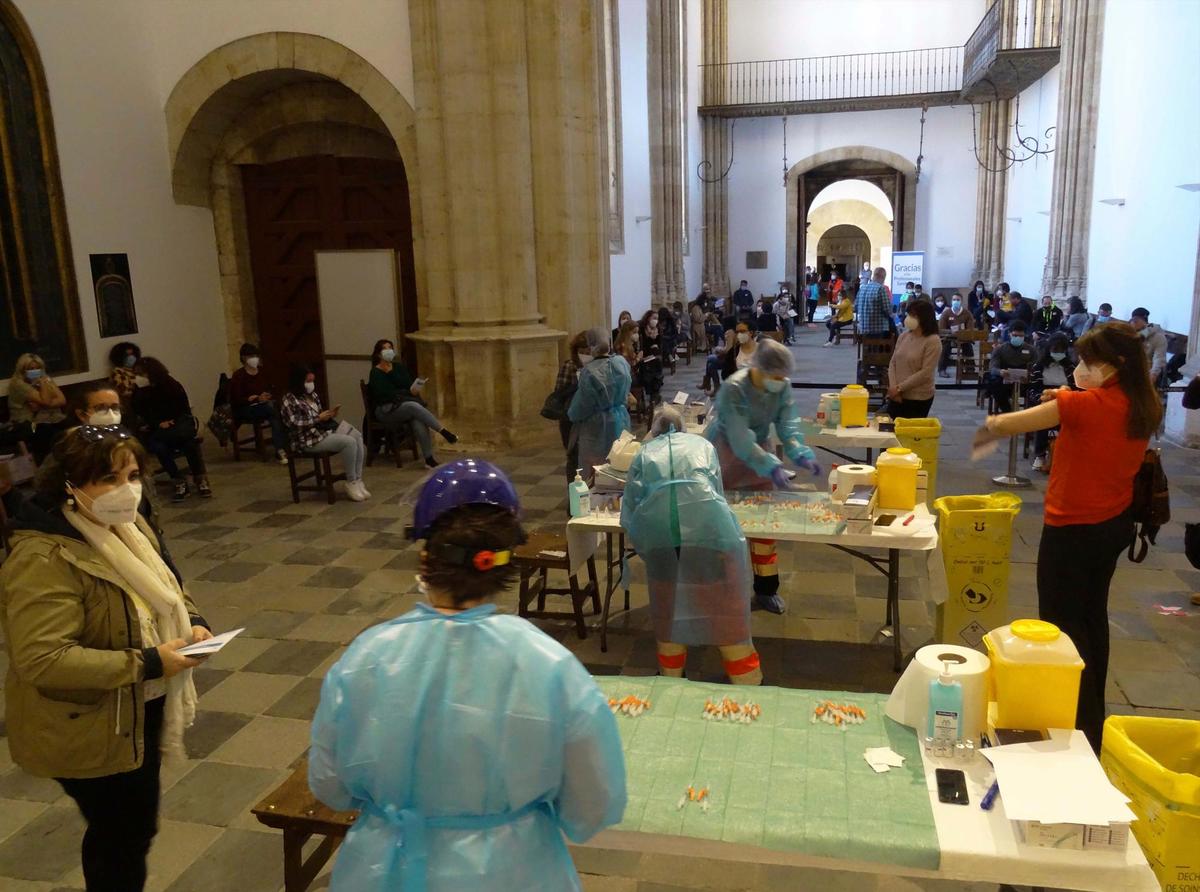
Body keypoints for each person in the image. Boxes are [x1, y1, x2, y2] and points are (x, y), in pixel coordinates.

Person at [309, 459, 626, 891]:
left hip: (387, 870)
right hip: (514, 871)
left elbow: (330, 786)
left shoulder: (367, 657)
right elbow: (593, 803)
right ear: (505, 563)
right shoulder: (548, 664)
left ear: (425, 557)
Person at [0, 425, 211, 891]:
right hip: (87, 721)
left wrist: (193, 619)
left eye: (132, 475)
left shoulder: (127, 526)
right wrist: (150, 662)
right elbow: (43, 659)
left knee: (128, 830)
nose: (126, 489)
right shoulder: (43, 556)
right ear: (70, 485)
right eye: (108, 478)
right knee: (122, 835)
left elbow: (168, 588)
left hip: (135, 706)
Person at [974, 323, 1161, 753]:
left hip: (1073, 528)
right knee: (1092, 617)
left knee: (1062, 624)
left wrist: (990, 425)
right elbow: (1087, 409)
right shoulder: (1139, 402)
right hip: (1113, 523)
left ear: (1113, 365)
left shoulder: (1087, 405)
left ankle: (1075, 719)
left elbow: (1011, 423)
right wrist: (1067, 398)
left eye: (1087, 362)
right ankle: (1091, 716)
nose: (1078, 368)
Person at [623, 407, 762, 684]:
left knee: (669, 614)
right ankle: (748, 685)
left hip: (662, 541)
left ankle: (672, 681)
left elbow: (631, 507)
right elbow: (715, 490)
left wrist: (644, 542)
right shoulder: (702, 445)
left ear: (655, 429)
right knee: (726, 615)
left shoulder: (645, 452)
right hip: (709, 537)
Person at [705, 340, 820, 614]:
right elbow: (739, 436)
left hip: (760, 454)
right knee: (724, 530)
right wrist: (770, 465)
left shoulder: (781, 385)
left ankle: (766, 590)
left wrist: (799, 451)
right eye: (777, 376)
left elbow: (787, 421)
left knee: (765, 528)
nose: (781, 381)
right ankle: (722, 592)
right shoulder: (734, 388)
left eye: (783, 377)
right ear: (760, 368)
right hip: (726, 455)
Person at [282, 365, 369, 501]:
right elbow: (293, 423)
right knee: (348, 442)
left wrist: (328, 415)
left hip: (322, 431)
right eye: (308, 381)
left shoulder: (313, 395)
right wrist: (318, 418)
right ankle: (351, 481)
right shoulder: (289, 399)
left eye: (312, 381)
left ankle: (358, 479)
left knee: (356, 435)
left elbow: (320, 416)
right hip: (307, 439)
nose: (311, 384)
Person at [131, 357, 212, 501]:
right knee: (159, 447)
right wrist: (157, 423)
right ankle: (177, 479)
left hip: (178, 425)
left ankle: (200, 477)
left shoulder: (171, 385)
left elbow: (183, 408)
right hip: (157, 429)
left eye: (141, 374)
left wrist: (171, 421)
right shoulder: (140, 391)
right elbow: (139, 412)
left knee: (189, 443)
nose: (138, 378)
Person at [369, 339, 457, 469]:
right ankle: (443, 431)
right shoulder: (375, 373)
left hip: (402, 405)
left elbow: (407, 384)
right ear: (378, 354)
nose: (389, 351)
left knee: (417, 418)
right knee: (413, 406)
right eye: (385, 348)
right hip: (385, 410)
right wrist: (403, 391)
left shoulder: (398, 367)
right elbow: (385, 394)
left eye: (390, 348)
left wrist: (411, 390)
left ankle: (429, 459)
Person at [567, 328, 632, 479]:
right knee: (619, 461)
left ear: (591, 347)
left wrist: (571, 414)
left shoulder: (589, 372)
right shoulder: (620, 363)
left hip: (596, 425)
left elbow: (581, 406)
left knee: (595, 467)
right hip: (620, 417)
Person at [228, 343, 289, 464]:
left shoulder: (262, 372)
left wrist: (268, 395)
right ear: (244, 358)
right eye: (251, 356)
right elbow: (236, 399)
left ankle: (281, 447)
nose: (255, 358)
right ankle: (281, 447)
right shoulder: (238, 376)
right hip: (246, 408)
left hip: (265, 405)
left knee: (275, 412)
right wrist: (254, 398)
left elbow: (271, 387)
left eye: (256, 355)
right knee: (273, 411)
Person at [7, 353, 68, 463]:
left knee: (68, 425)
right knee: (46, 430)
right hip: (26, 424)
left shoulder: (46, 378)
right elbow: (46, 400)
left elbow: (62, 400)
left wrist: (41, 404)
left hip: (50, 418)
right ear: (22, 370)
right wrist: (42, 383)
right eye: (31, 369)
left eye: (38, 368)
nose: (35, 371)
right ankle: (48, 464)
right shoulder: (18, 384)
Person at [1028, 333, 1076, 471]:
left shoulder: (1071, 367)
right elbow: (1033, 389)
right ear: (1049, 349)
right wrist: (1041, 399)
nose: (1058, 353)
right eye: (1055, 350)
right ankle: (1040, 455)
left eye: (1061, 351)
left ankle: (1065, 455)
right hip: (1043, 398)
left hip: (1065, 398)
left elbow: (1075, 388)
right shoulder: (1039, 366)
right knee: (1045, 420)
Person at [886, 298, 941, 419]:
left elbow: (926, 372)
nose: (908, 318)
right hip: (896, 394)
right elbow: (893, 363)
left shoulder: (932, 341)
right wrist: (894, 388)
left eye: (913, 315)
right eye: (908, 314)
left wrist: (900, 388)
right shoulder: (904, 336)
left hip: (918, 396)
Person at [554, 332, 587, 481]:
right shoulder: (570, 366)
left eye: (588, 351)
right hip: (570, 418)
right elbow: (559, 392)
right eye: (582, 352)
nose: (585, 355)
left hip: (589, 418)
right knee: (573, 457)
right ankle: (574, 496)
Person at [986, 320, 1036, 412]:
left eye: (1021, 336)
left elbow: (1036, 367)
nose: (1018, 338)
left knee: (1037, 387)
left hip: (1024, 382)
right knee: (994, 384)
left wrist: (1029, 375)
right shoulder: (1000, 349)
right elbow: (992, 368)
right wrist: (1000, 372)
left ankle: (1030, 414)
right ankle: (1007, 411)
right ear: (1009, 334)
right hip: (1004, 380)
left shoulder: (1031, 350)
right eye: (1015, 335)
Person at [937, 292, 975, 376]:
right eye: (954, 300)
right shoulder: (946, 313)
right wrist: (951, 331)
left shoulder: (967, 313)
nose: (956, 301)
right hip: (949, 338)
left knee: (968, 346)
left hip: (963, 337)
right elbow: (941, 329)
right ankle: (942, 370)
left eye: (958, 300)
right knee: (945, 347)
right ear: (951, 301)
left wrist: (962, 332)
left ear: (961, 301)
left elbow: (970, 329)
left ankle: (970, 369)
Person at [1128, 307, 1168, 383]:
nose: (1134, 323)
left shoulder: (1158, 337)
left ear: (1145, 323)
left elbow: (1159, 359)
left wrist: (1153, 374)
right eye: (1133, 321)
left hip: (1146, 374)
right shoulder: (1130, 333)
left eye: (1137, 321)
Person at [855, 267, 892, 337]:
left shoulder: (862, 288)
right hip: (878, 330)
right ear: (883, 277)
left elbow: (856, 307)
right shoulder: (880, 288)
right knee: (895, 332)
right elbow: (887, 310)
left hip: (863, 329)